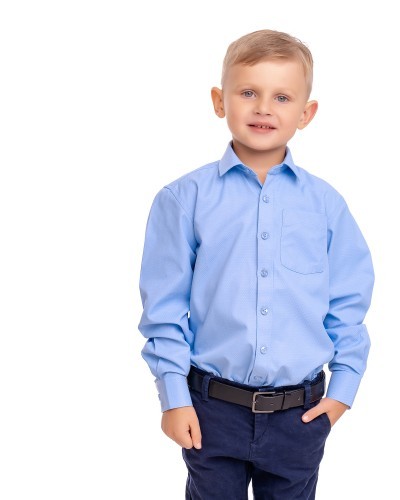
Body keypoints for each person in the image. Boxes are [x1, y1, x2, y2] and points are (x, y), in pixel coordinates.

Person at [138, 29, 374, 499]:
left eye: (282, 97)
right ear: (219, 101)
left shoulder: (326, 206)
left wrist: (342, 391)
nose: (264, 108)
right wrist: (174, 396)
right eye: (248, 92)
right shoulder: (183, 199)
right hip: (211, 409)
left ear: (305, 113)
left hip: (300, 415)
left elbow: (348, 303)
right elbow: (164, 306)